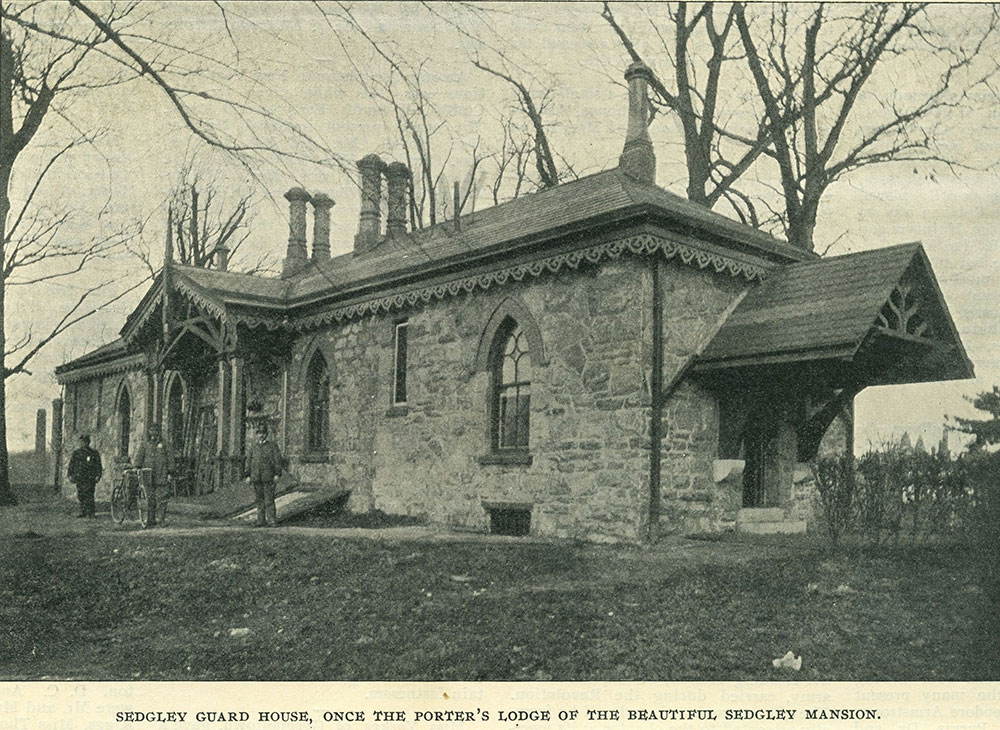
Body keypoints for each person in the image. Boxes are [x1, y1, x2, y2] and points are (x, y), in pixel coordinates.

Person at [244, 422, 283, 527]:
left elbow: (277, 461)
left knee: (269, 499)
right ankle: (261, 520)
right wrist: (247, 475)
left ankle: (271, 520)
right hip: (256, 477)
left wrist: (277, 474)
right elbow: (248, 462)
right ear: (256, 434)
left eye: (263, 433)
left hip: (268, 477)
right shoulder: (253, 447)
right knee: (259, 500)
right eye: (259, 433)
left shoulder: (272, 446)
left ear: (266, 434)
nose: (261, 435)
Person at [132, 423, 171, 526]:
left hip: (161, 474)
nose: (154, 433)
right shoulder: (145, 444)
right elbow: (140, 456)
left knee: (162, 498)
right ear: (149, 432)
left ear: (159, 432)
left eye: (156, 431)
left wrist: (170, 472)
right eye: (152, 431)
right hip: (148, 475)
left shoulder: (165, 445)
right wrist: (137, 467)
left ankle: (161, 520)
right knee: (150, 498)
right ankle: (151, 519)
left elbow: (170, 459)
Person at [67, 435, 102, 518]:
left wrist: (98, 475)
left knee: (89, 494)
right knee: (81, 495)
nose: (82, 443)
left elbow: (98, 466)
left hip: (90, 478)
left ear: (88, 442)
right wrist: (70, 475)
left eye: (84, 442)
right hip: (80, 477)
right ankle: (83, 511)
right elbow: (71, 465)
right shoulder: (76, 453)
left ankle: (91, 512)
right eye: (81, 442)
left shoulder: (93, 453)